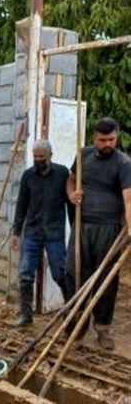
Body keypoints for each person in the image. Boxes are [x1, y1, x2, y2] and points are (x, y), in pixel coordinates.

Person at [66, 118, 131, 350]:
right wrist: (72, 195)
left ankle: (102, 328)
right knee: (74, 273)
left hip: (109, 229)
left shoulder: (124, 163)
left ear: (117, 136)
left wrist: (130, 228)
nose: (107, 144)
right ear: (94, 138)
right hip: (82, 226)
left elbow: (129, 198)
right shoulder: (83, 155)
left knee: (105, 278)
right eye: (102, 140)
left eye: (111, 139)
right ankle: (77, 324)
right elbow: (71, 181)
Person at [10, 139, 70, 327]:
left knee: (60, 273)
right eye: (35, 157)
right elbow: (21, 206)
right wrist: (16, 233)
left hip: (54, 233)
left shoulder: (62, 174)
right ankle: (26, 315)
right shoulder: (28, 176)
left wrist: (76, 229)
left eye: (41, 157)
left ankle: (71, 312)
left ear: (50, 156)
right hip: (33, 232)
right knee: (26, 274)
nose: (38, 160)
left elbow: (69, 203)